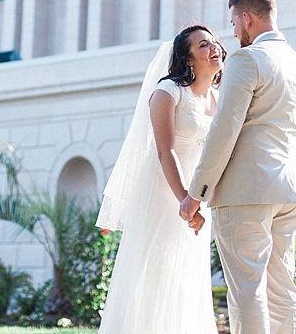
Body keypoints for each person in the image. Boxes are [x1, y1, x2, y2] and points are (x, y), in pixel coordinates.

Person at [180, 0, 296, 334]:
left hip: (247, 191)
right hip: (289, 190)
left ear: (247, 17)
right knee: (282, 287)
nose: (234, 32)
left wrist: (197, 193)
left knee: (247, 290)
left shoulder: (247, 58)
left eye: (234, 24)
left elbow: (224, 131)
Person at [96, 25, 227, 334]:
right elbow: (165, 151)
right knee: (152, 274)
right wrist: (185, 199)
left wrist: (198, 200)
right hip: (163, 193)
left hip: (196, 198)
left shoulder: (219, 99)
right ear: (189, 59)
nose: (214, 48)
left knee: (186, 276)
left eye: (215, 42)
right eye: (203, 45)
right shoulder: (167, 92)